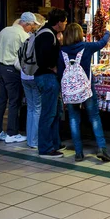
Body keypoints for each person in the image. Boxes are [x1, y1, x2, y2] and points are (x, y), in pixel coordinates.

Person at [58, 23, 110, 162]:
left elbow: (59, 72)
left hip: (70, 91)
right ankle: (102, 148)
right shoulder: (86, 47)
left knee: (74, 119)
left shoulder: (62, 51)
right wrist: (107, 31)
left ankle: (78, 152)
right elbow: (102, 43)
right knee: (94, 117)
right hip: (86, 88)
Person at [0, 12, 39, 144]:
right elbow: (26, 55)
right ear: (26, 24)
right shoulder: (23, 36)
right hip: (12, 70)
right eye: (31, 26)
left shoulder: (5, 30)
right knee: (14, 102)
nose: (31, 29)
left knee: (1, 100)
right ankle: (12, 133)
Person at [35, 8, 67, 158]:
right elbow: (45, 58)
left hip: (47, 78)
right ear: (59, 23)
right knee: (48, 114)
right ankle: (46, 148)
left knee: (54, 113)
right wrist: (54, 68)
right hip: (47, 78)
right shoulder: (47, 35)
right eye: (65, 21)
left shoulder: (48, 33)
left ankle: (54, 143)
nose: (66, 24)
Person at [22, 13, 46, 149]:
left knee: (31, 109)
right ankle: (34, 140)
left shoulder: (27, 38)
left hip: (24, 75)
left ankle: (30, 139)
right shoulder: (37, 38)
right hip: (33, 76)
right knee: (37, 109)